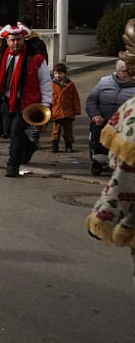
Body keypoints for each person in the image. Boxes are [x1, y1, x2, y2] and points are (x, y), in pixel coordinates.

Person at [85, 19, 135, 289]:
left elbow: (125, 178)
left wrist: (104, 216)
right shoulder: (105, 83)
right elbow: (91, 99)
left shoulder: (133, 111)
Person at [0, 24, 52, 178]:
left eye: (18, 39)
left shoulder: (36, 58)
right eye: (12, 40)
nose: (15, 43)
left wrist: (46, 104)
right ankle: (29, 147)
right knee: (11, 131)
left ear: (24, 39)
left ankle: (12, 165)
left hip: (27, 102)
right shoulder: (0, 54)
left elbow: (45, 81)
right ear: (7, 40)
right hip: (6, 100)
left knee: (15, 132)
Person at [87, 58, 135, 173]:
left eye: (131, 71)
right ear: (118, 71)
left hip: (125, 122)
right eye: (125, 71)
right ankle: (100, 157)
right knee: (97, 125)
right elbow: (91, 99)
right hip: (103, 118)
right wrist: (95, 114)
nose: (129, 74)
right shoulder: (105, 81)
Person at [49, 63, 81, 153]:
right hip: (56, 111)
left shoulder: (70, 84)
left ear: (65, 73)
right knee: (56, 130)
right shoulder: (51, 84)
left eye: (60, 73)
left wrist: (77, 110)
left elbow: (75, 98)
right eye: (56, 73)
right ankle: (55, 146)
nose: (58, 75)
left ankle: (69, 146)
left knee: (68, 130)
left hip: (68, 111)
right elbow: (48, 97)